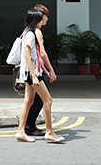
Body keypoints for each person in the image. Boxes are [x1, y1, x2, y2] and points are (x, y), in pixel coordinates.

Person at [16, 8, 65, 143]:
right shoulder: (32, 34)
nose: (43, 20)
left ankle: (21, 131)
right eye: (40, 18)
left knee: (28, 101)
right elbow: (28, 56)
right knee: (48, 100)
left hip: (30, 73)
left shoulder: (28, 33)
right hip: (32, 74)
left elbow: (36, 57)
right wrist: (35, 75)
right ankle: (49, 132)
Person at [24, 4, 56, 136]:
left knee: (32, 100)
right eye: (45, 16)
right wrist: (50, 70)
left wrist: (46, 71)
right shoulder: (36, 32)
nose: (46, 19)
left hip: (35, 70)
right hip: (34, 71)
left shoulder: (29, 31)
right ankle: (37, 129)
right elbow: (41, 54)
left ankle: (27, 127)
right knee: (45, 100)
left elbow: (36, 56)